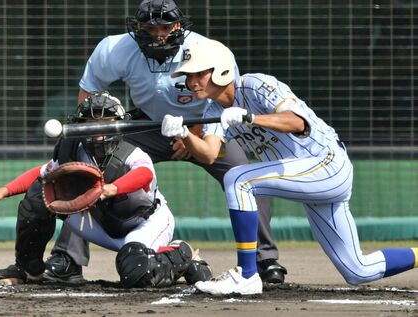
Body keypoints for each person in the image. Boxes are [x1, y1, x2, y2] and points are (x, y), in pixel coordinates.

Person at [46, 0, 286, 285]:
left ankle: (264, 260)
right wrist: (90, 140)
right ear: (137, 28)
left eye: (165, 26)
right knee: (87, 167)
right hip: (149, 125)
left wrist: (193, 135)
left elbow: (224, 99)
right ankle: (68, 258)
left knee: (245, 178)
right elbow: (88, 94)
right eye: (150, 27)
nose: (158, 34)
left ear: (178, 26)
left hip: (206, 125)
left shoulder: (207, 50)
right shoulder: (114, 49)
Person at [160, 39, 418, 295]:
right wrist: (184, 133)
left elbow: (297, 123)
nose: (192, 81)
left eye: (199, 73)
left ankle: (247, 274)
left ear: (221, 69)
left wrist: (251, 117)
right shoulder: (214, 108)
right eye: (188, 75)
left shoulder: (256, 84)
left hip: (327, 164)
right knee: (358, 271)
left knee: (239, 179)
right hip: (309, 177)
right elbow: (208, 154)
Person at [0, 92, 212, 288]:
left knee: (136, 272)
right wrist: (3, 190)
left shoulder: (133, 154)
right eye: (89, 121)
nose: (97, 127)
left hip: (142, 223)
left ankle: (183, 255)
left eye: (105, 120)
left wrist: (111, 188)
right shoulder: (74, 151)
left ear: (119, 124)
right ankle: (28, 268)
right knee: (39, 195)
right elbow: (43, 172)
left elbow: (144, 175)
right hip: (99, 223)